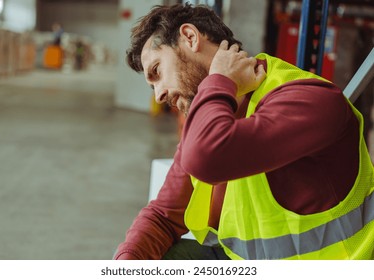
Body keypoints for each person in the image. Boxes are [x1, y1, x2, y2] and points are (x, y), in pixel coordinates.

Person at [114, 3, 374, 260]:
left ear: (190, 37)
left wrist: (219, 80)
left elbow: (206, 157)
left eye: (157, 71)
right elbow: (163, 216)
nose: (159, 95)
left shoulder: (310, 100)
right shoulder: (209, 118)